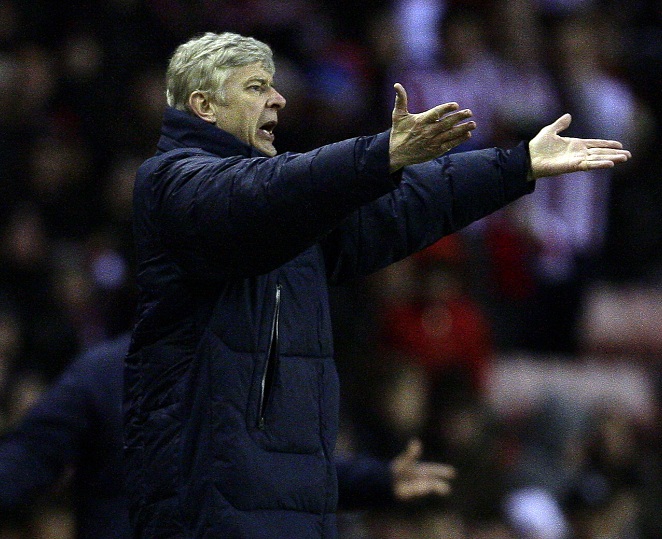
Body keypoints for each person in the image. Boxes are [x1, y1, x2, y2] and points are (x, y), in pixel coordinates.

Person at [124, 31, 630, 539]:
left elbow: (400, 206)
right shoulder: (174, 183)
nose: (278, 99)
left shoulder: (292, 206)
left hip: (292, 516)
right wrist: (378, 154)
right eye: (256, 87)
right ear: (204, 105)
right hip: (207, 517)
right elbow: (258, 196)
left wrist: (515, 166)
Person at [0, 333, 455, 538]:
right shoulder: (103, 375)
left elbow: (277, 471)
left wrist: (376, 480)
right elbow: (30, 455)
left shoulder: (241, 375)